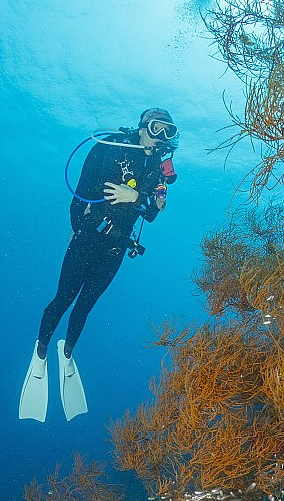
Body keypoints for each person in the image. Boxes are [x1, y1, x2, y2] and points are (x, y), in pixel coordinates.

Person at [19, 108, 180, 422]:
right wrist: (80, 229)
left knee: (85, 306)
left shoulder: (158, 170)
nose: (160, 137)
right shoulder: (110, 147)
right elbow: (79, 194)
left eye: (168, 132)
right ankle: (40, 353)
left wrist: (135, 196)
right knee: (63, 299)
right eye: (156, 128)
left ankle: (67, 354)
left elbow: (152, 212)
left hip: (117, 247)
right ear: (143, 126)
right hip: (87, 239)